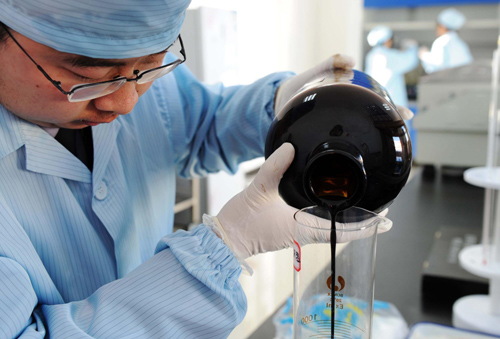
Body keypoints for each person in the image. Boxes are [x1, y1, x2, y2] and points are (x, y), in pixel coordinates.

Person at [0, 1, 404, 338]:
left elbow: (196, 125)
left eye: (150, 66)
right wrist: (222, 248)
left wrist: (286, 107)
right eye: (87, 76)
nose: (124, 104)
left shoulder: (133, 75)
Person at [365, 26, 419, 107]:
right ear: (387, 41)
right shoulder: (388, 55)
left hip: (376, 100)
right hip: (391, 102)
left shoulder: (371, 55)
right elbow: (411, 60)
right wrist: (412, 47)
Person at [419, 7, 473, 74]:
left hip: (447, 82)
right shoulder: (461, 44)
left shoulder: (441, 42)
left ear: (443, 26)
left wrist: (424, 55)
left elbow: (436, 67)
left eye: (437, 25)